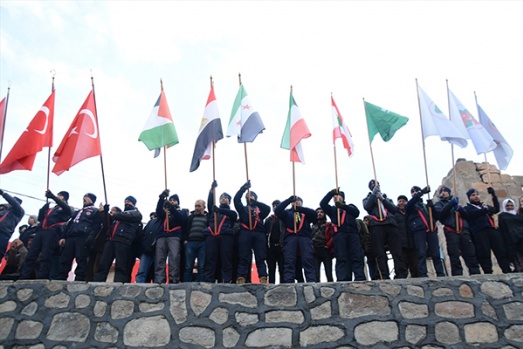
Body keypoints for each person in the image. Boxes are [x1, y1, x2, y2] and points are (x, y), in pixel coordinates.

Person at [19, 190, 74, 280]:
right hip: (41, 231)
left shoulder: (67, 207)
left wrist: (53, 197)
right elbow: (41, 218)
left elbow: (68, 211)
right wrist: (44, 207)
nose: (57, 197)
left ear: (63, 197)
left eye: (59, 196)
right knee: (31, 254)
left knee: (46, 255)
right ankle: (24, 276)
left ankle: (42, 277)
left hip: (52, 231)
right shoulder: (52, 209)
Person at [363, 180, 407, 279]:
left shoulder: (387, 199)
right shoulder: (367, 199)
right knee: (380, 252)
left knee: (396, 251)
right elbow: (367, 206)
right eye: (372, 185)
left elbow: (394, 209)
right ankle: (384, 275)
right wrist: (374, 195)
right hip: (377, 225)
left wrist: (382, 198)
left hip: (390, 224)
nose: (374, 186)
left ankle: (400, 273)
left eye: (376, 185)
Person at [320, 188, 365, 281]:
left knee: (356, 256)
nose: (335, 197)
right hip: (339, 234)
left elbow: (356, 213)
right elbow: (322, 204)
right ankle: (342, 278)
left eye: (338, 195)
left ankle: (359, 277)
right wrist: (330, 193)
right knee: (341, 256)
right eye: (334, 196)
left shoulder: (350, 207)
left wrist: (343, 206)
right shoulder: (332, 209)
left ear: (343, 198)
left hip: (353, 234)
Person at [94, 196, 143, 283]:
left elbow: (120, 215)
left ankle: (119, 284)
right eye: (125, 201)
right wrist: (105, 212)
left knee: (121, 266)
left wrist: (114, 214)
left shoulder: (135, 213)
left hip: (123, 240)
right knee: (103, 264)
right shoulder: (120, 216)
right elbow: (108, 223)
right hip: (111, 240)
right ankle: (98, 282)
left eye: (129, 201)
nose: (126, 203)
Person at [434, 186, 480, 276]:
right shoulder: (439, 204)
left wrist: (460, 209)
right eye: (441, 192)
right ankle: (457, 274)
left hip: (463, 230)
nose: (443, 193)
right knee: (454, 253)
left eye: (445, 191)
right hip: (451, 230)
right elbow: (440, 215)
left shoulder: (457, 204)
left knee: (470, 253)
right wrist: (450, 204)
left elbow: (466, 217)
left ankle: (475, 273)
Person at [463, 187, 511, 274]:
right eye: (473, 195)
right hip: (479, 231)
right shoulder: (468, 208)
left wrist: (493, 195)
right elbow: (472, 214)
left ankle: (506, 269)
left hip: (491, 229)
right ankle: (488, 272)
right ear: (469, 198)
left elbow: (496, 209)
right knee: (484, 253)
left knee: (500, 250)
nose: (476, 196)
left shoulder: (485, 206)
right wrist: (485, 210)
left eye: (477, 194)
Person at [57, 193, 102, 281]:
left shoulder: (95, 211)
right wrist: (63, 236)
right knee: (65, 259)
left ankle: (79, 279)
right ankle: (60, 278)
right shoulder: (78, 212)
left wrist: (91, 237)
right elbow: (69, 224)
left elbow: (96, 226)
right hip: (71, 236)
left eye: (86, 197)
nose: (84, 199)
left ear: (91, 199)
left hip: (83, 236)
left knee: (81, 259)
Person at [233, 180, 271, 284]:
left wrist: (256, 203)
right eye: (248, 196)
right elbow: (236, 200)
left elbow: (268, 209)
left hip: (259, 233)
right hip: (245, 232)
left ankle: (263, 277)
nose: (249, 197)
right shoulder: (243, 209)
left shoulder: (260, 210)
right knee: (244, 256)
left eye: (251, 195)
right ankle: (241, 277)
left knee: (260, 257)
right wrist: (243, 189)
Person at [274, 195, 317, 283]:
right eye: (294, 201)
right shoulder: (287, 213)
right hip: (291, 238)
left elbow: (314, 214)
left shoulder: (306, 214)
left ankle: (311, 280)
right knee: (289, 260)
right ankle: (289, 280)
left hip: (304, 237)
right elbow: (277, 211)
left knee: (307, 260)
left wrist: (299, 209)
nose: (296, 202)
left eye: (298, 201)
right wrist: (288, 200)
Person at [406, 185, 445, 277]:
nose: (414, 193)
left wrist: (432, 207)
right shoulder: (411, 205)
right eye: (413, 192)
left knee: (435, 253)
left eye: (416, 191)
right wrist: (421, 193)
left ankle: (440, 273)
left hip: (431, 229)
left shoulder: (425, 206)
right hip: (418, 229)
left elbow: (436, 217)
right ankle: (423, 274)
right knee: (421, 253)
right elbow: (409, 204)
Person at [204, 180, 238, 283]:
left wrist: (219, 210)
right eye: (221, 198)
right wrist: (212, 190)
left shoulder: (231, 213)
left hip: (226, 236)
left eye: (226, 198)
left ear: (229, 201)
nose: (223, 199)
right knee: (210, 259)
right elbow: (210, 203)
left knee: (226, 259)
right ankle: (208, 281)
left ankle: (226, 280)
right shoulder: (213, 211)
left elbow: (233, 216)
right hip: (212, 236)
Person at [155, 190, 188, 284]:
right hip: (162, 236)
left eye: (174, 200)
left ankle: (173, 279)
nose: (172, 201)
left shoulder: (182, 212)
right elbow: (158, 212)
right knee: (160, 258)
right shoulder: (165, 213)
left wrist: (172, 208)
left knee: (174, 258)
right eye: (170, 200)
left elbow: (182, 219)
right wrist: (161, 199)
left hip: (174, 236)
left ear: (178, 202)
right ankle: (160, 280)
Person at [183, 199, 208, 282]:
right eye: (196, 206)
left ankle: (201, 284)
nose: (197, 208)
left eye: (199, 206)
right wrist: (185, 239)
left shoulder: (207, 218)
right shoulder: (190, 218)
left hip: (203, 243)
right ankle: (187, 284)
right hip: (191, 242)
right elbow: (185, 228)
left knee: (201, 266)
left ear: (204, 207)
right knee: (188, 266)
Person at [394, 195, 418, 278]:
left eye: (403, 201)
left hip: (412, 242)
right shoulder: (395, 213)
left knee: (414, 266)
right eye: (399, 201)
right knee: (402, 266)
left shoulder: (410, 212)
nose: (401, 203)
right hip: (401, 244)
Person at [135, 214, 162, 283]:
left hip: (158, 250)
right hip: (147, 249)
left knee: (157, 272)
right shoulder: (150, 223)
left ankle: (157, 288)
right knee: (142, 271)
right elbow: (144, 234)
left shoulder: (164, 222)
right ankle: (139, 286)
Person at [498, 198, 523, 272]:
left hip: (521, 240)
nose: (509, 207)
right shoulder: (502, 216)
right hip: (511, 242)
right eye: (507, 205)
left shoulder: (519, 216)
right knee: (519, 262)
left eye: (511, 205)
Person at [264, 200, 285, 284]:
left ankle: (283, 286)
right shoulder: (268, 220)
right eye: (274, 205)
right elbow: (265, 233)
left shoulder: (284, 218)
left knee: (282, 268)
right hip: (271, 246)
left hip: (282, 246)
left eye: (277, 205)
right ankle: (271, 285)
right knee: (271, 268)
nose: (275, 207)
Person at [0, 189, 25, 260]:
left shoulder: (19, 212)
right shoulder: (4, 211)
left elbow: (14, 203)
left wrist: (3, 194)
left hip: (3, 233)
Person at [311, 207, 334, 282]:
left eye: (321, 212)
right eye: (317, 212)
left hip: (325, 249)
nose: (319, 213)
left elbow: (332, 236)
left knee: (329, 273)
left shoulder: (328, 225)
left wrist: (328, 245)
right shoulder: (312, 226)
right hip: (315, 250)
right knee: (316, 274)